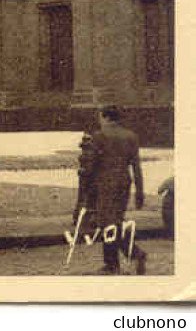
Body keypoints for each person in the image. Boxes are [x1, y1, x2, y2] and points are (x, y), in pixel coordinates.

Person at [77, 105, 147, 275]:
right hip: (124, 183)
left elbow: (91, 164)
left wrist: (83, 173)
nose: (99, 120)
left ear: (106, 117)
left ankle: (117, 263)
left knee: (105, 223)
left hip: (106, 184)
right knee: (115, 222)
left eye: (100, 117)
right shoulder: (131, 136)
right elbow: (136, 166)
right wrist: (139, 192)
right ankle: (130, 256)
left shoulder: (99, 136)